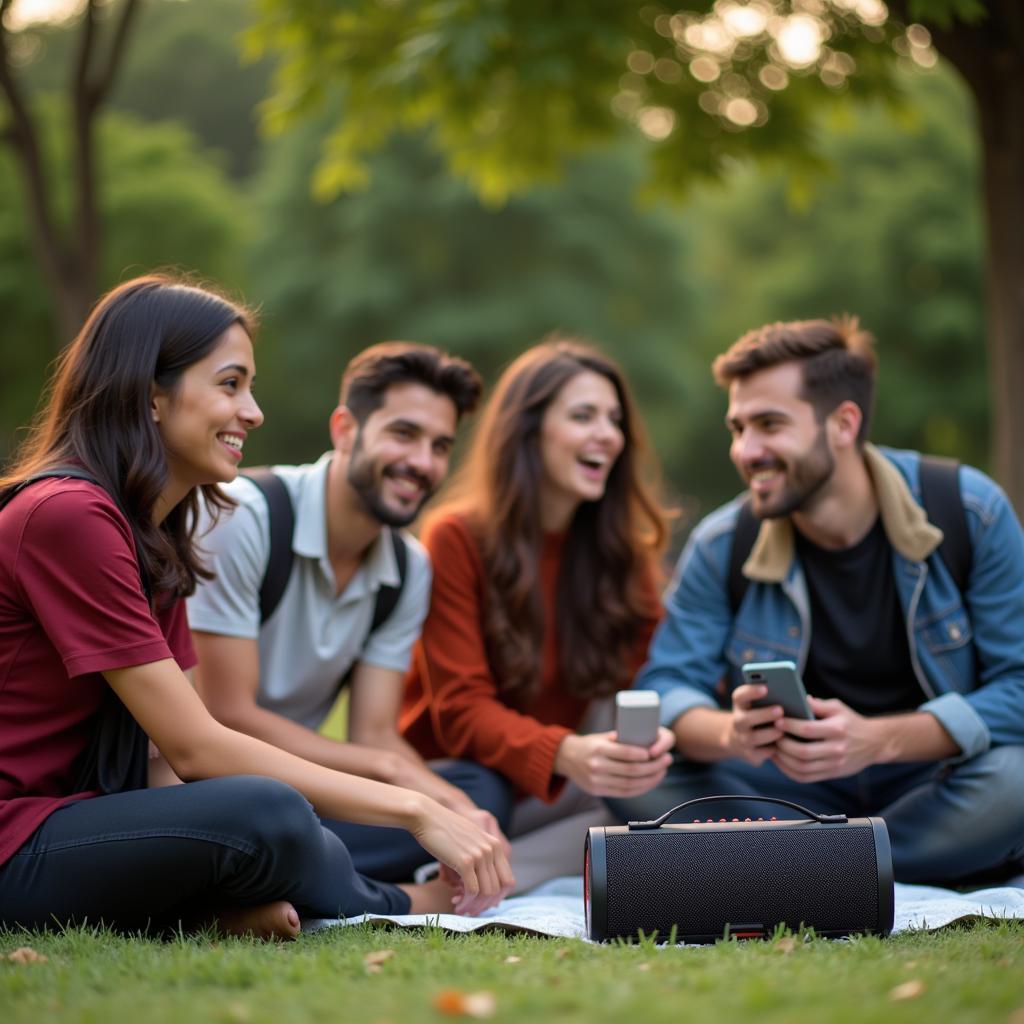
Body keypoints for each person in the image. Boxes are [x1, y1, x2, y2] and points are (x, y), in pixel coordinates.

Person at [0, 275, 512, 939]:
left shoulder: (151, 536)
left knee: (276, 817)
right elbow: (199, 745)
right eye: (230, 384)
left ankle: (215, 905)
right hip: (17, 835)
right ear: (151, 394)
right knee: (268, 813)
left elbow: (164, 767)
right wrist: (415, 808)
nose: (254, 411)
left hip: (81, 816)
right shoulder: (68, 516)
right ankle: (402, 902)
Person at [613, 316, 1024, 886]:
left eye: (769, 425)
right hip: (782, 789)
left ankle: (789, 865)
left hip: (929, 780)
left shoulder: (970, 510)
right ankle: (855, 865)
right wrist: (730, 732)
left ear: (843, 424)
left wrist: (878, 740)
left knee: (1016, 780)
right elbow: (664, 686)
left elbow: (1019, 687)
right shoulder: (723, 541)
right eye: (737, 428)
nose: (746, 450)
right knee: (634, 775)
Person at [186, 342, 512, 883]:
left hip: (311, 790)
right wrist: (394, 777)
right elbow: (227, 713)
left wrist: (452, 805)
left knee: (482, 792)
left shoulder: (409, 566)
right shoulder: (246, 516)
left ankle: (300, 875)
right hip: (216, 782)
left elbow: (375, 732)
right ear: (344, 429)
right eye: (403, 434)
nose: (422, 463)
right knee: (275, 817)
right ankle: (311, 876)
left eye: (440, 446)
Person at [400, 338, 676, 889]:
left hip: (568, 790)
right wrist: (566, 753)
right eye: (583, 416)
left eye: (614, 419)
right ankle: (470, 867)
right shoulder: (456, 538)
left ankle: (488, 873)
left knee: (668, 797)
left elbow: (653, 676)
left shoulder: (624, 552)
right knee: (488, 792)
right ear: (528, 430)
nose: (608, 435)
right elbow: (460, 710)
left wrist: (657, 741)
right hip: (465, 781)